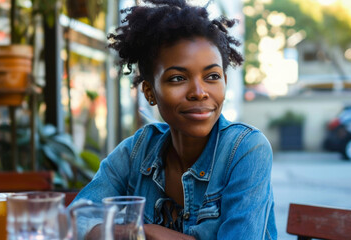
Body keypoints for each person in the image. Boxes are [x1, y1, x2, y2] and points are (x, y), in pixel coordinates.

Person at [72, 0, 277, 239]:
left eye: (212, 76)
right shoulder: (137, 151)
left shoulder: (245, 149)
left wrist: (151, 233)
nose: (199, 92)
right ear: (149, 91)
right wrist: (132, 232)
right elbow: (77, 218)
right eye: (178, 78)